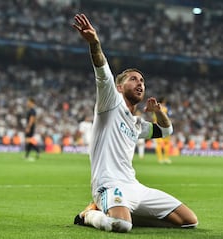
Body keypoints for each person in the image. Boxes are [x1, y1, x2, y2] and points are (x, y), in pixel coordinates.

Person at [72, 14, 198, 233]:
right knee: (122, 226)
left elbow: (166, 131)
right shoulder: (110, 104)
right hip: (109, 185)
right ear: (120, 88)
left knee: (189, 221)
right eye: (133, 79)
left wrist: (158, 112)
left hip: (135, 187)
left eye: (142, 81)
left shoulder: (137, 124)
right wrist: (94, 43)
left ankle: (122, 214)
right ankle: (90, 214)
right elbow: (102, 73)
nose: (140, 83)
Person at [153, 97, 172, 164]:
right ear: (163, 102)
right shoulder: (166, 109)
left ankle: (160, 159)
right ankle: (166, 158)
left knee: (159, 144)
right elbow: (169, 117)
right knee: (166, 144)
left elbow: (154, 119)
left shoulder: (155, 109)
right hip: (165, 127)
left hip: (158, 127)